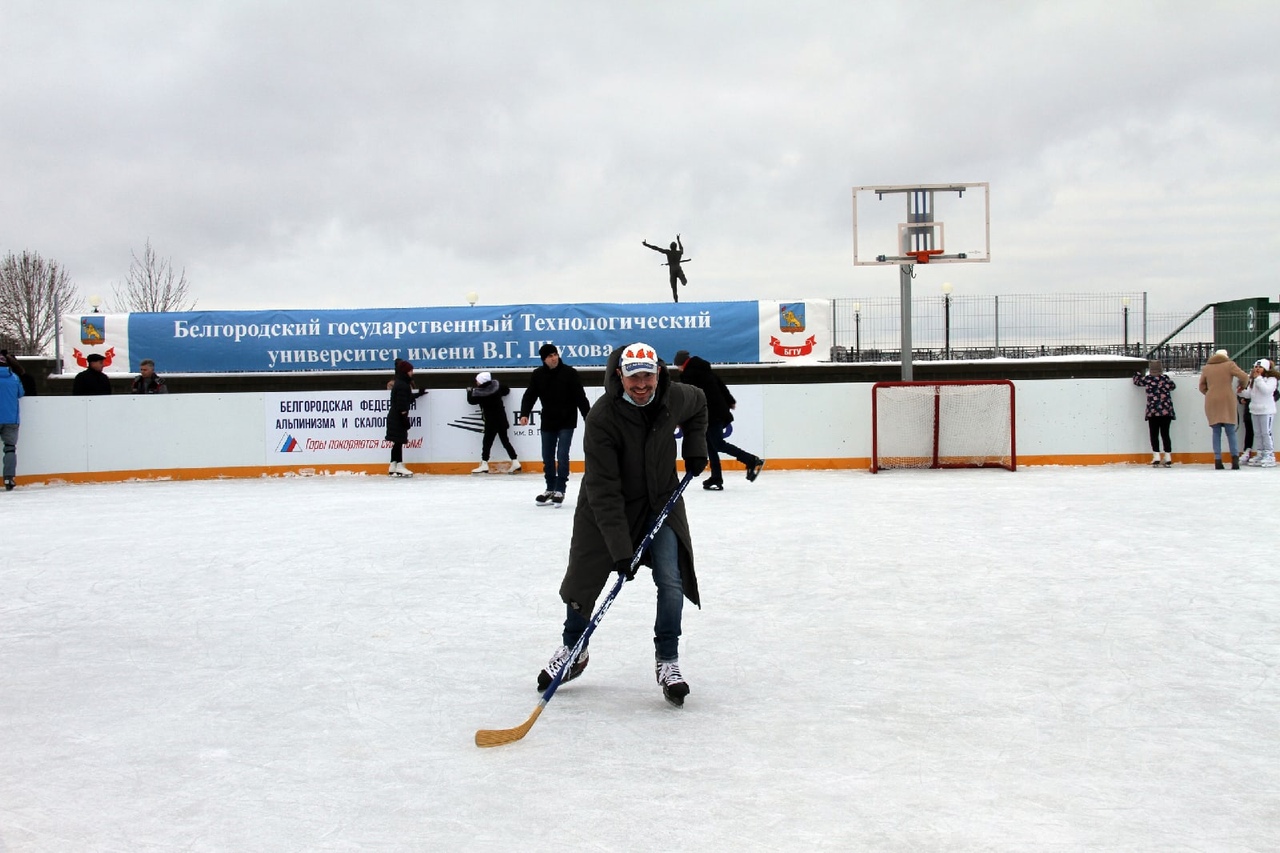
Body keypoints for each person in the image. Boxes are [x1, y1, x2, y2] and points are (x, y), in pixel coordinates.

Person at [537, 341, 708, 707]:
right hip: (606, 507)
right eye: (634, 377)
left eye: (648, 375)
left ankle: (667, 660)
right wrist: (619, 550)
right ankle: (573, 650)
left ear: (658, 373)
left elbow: (700, 404)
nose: (642, 384)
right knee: (584, 578)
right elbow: (604, 490)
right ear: (620, 376)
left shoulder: (675, 396)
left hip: (660, 500)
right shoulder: (602, 418)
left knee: (670, 578)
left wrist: (696, 446)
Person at [672, 350, 764, 489]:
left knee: (718, 443)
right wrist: (730, 400)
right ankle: (716, 477)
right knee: (710, 444)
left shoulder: (688, 375)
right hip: (717, 410)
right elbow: (719, 384)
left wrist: (681, 419)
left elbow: (689, 400)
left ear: (681, 364)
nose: (678, 369)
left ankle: (751, 460)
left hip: (711, 413)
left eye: (678, 366)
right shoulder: (703, 369)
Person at [518, 343, 591, 506]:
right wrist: (524, 413)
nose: (554, 358)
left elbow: (580, 397)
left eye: (555, 354)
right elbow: (530, 395)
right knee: (547, 457)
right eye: (550, 356)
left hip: (567, 420)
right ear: (544, 359)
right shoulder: (538, 375)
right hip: (548, 421)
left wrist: (589, 417)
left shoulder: (569, 373)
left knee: (562, 456)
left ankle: (560, 489)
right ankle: (550, 488)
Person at [1198, 349, 1249, 469]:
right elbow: (1244, 376)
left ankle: (1217, 460)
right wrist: (1242, 386)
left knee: (1216, 431)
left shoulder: (1207, 368)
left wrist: (1209, 393)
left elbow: (1201, 386)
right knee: (1230, 431)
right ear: (1226, 356)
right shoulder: (1229, 365)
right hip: (1227, 399)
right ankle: (1234, 460)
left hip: (1212, 400)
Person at [467, 371, 520, 474]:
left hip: (491, 421)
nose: (476, 382)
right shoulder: (497, 388)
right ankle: (515, 460)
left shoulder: (480, 393)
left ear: (481, 382)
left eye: (477, 381)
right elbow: (506, 390)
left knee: (487, 442)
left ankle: (484, 463)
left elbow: (471, 401)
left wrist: (469, 391)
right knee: (505, 441)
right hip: (501, 419)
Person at [385, 359, 427, 477]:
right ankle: (399, 465)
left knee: (396, 442)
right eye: (410, 370)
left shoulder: (399, 383)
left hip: (394, 416)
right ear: (405, 372)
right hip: (398, 418)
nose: (412, 373)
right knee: (399, 441)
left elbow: (406, 398)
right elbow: (402, 405)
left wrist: (419, 394)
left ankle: (393, 465)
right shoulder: (403, 385)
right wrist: (405, 420)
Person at [1132, 359, 1176, 467]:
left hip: (1153, 411)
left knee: (1154, 434)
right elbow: (1173, 386)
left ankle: (1156, 456)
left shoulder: (1148, 379)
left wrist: (1137, 372)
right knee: (1165, 434)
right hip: (1166, 411)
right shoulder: (1165, 379)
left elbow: (1137, 381)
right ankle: (1168, 456)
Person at [1241, 358, 1278, 467]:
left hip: (1266, 410)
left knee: (1266, 432)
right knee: (1257, 433)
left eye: (1260, 367)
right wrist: (1242, 391)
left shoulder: (1271, 379)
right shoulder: (1253, 380)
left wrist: (1258, 379)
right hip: (1255, 409)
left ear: (1265, 368)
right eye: (1256, 367)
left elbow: (1267, 391)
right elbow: (1249, 394)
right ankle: (1261, 452)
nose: (1257, 369)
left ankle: (1269, 454)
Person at [0, 352, 24, 491]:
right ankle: (9, 477)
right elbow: (20, 393)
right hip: (10, 419)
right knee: (9, 449)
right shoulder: (14, 378)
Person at [642, 234, 687, 302]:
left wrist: (646, 244)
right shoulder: (679, 253)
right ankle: (683, 280)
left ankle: (676, 301)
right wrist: (678, 240)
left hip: (672, 271)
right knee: (682, 280)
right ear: (675, 247)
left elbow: (657, 248)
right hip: (678, 269)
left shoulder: (668, 252)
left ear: (670, 247)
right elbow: (681, 248)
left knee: (674, 288)